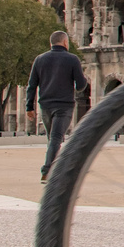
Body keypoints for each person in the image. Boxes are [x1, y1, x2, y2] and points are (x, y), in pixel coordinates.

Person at [26, 30, 89, 183]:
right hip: (64, 106)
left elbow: (32, 85)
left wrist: (29, 107)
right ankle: (47, 172)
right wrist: (83, 78)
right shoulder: (72, 59)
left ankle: (57, 169)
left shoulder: (39, 59)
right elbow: (81, 86)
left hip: (45, 105)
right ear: (66, 42)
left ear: (51, 43)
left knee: (53, 138)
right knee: (56, 138)